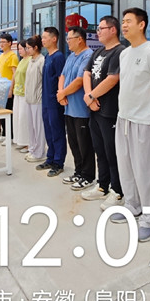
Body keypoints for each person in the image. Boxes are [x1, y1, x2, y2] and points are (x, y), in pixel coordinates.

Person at [114, 8, 150, 243]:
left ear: (142, 24)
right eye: (123, 22)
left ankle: (149, 218)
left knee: (146, 172)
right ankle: (132, 205)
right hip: (124, 119)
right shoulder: (125, 53)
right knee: (126, 167)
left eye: (129, 21)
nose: (124, 25)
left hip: (145, 121)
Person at [81, 15, 125, 207]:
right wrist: (88, 96)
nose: (97, 32)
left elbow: (113, 78)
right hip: (95, 110)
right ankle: (102, 186)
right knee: (100, 150)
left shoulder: (120, 52)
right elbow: (87, 73)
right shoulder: (98, 51)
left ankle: (118, 191)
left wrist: (91, 96)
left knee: (112, 152)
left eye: (101, 28)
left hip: (110, 111)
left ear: (113, 30)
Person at [58, 25, 95, 189]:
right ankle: (78, 172)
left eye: (69, 39)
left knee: (84, 144)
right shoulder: (71, 56)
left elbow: (80, 81)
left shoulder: (88, 55)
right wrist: (61, 93)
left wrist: (62, 93)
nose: (67, 42)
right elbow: (63, 75)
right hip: (68, 107)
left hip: (81, 109)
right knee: (73, 142)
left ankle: (88, 176)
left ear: (80, 39)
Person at [37, 27, 67, 177]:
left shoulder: (58, 57)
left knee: (57, 132)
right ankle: (50, 158)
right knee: (48, 131)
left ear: (54, 39)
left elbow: (62, 79)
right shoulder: (47, 57)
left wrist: (60, 96)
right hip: (46, 101)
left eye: (45, 37)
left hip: (55, 102)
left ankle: (58, 162)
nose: (42, 40)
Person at [0, 33, 19, 143]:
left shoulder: (12, 56)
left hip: (8, 88)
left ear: (10, 43)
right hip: (0, 88)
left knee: (8, 112)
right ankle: (4, 134)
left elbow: (14, 74)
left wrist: (11, 89)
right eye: (0, 42)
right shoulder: (1, 56)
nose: (1, 44)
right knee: (2, 112)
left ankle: (10, 136)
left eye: (3, 42)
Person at [23, 36, 46, 163]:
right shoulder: (31, 60)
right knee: (31, 126)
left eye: (28, 48)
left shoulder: (41, 61)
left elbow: (43, 81)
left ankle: (39, 152)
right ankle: (32, 149)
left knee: (38, 127)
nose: (27, 50)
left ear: (36, 47)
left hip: (38, 99)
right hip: (29, 98)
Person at [10, 40, 30, 151]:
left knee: (24, 118)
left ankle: (28, 143)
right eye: (18, 49)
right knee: (18, 117)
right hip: (17, 92)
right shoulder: (22, 60)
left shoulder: (30, 60)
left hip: (25, 94)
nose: (19, 51)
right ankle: (21, 141)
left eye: (21, 49)